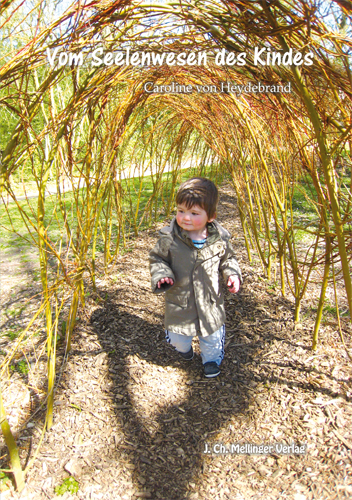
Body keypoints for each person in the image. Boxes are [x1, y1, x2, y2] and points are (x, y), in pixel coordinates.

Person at [149, 177, 242, 378]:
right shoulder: (170, 239)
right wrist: (163, 275)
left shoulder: (219, 240)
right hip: (180, 303)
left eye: (194, 213)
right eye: (181, 210)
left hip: (210, 303)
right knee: (177, 340)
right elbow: (157, 259)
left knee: (212, 337)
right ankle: (184, 350)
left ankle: (211, 360)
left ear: (211, 216)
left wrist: (232, 274)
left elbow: (229, 259)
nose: (186, 218)